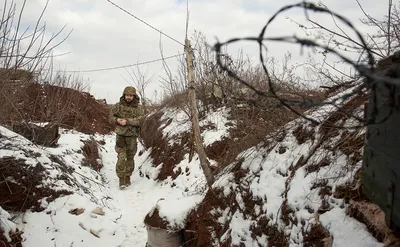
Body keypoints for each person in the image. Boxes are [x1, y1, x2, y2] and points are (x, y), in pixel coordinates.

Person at [109, 86, 144, 189]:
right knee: (121, 157)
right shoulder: (118, 106)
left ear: (134, 96)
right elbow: (110, 118)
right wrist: (117, 120)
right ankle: (121, 179)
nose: (128, 97)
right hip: (120, 136)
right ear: (124, 95)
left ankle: (127, 177)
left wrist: (127, 121)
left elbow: (141, 120)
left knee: (130, 157)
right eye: (127, 95)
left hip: (132, 136)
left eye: (130, 95)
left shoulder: (139, 108)